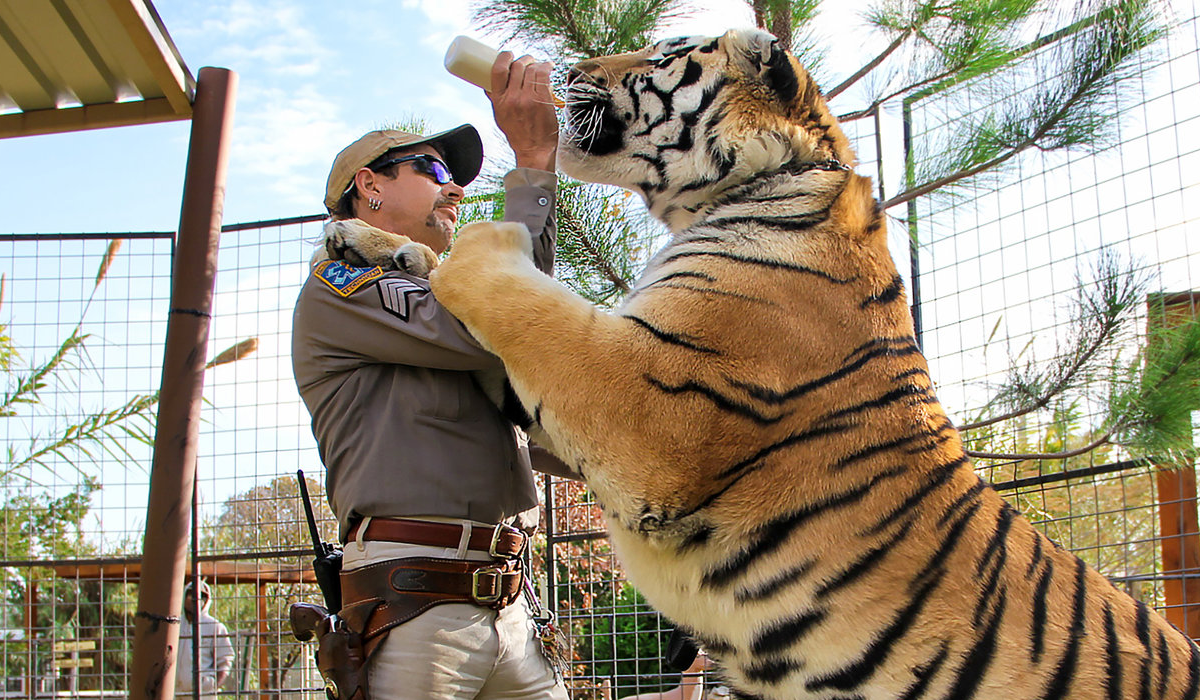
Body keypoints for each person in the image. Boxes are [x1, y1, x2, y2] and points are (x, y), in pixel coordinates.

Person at [291, 50, 574, 700]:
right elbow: (494, 323)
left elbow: (518, 394)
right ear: (371, 186)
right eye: (435, 168)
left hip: (511, 601)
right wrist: (532, 167)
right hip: (413, 600)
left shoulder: (435, 298)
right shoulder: (344, 283)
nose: (456, 187)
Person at [176, 579, 235, 698]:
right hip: (175, 693)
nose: (195, 599)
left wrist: (213, 686)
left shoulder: (215, 627)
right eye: (191, 594)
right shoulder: (174, 624)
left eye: (201, 596)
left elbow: (225, 661)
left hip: (203, 694)